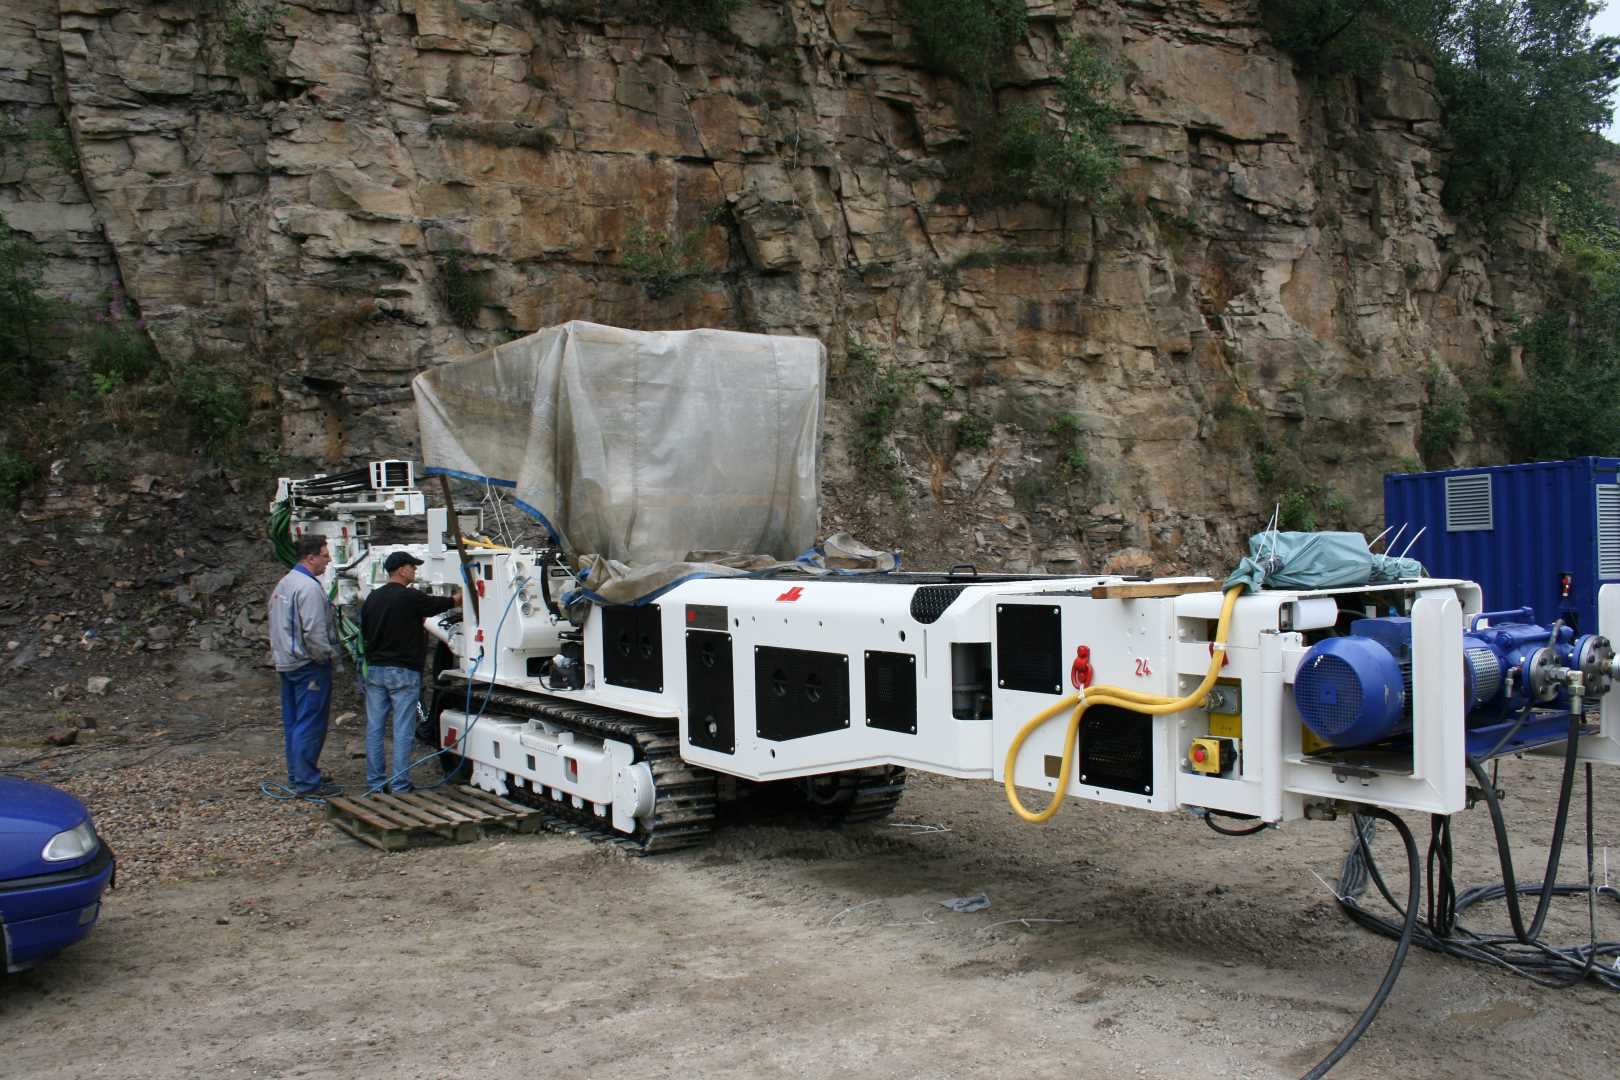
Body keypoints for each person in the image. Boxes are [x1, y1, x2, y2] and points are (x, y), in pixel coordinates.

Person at [360, 552, 459, 795]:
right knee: (402, 728)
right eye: (412, 567)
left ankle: (375, 784)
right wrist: (461, 597)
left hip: (375, 670)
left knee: (375, 728)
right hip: (403, 671)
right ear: (401, 570)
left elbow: (365, 631)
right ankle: (400, 784)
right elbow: (440, 604)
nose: (415, 571)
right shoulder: (409, 596)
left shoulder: (373, 598)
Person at [268, 535, 340, 798]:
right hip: (308, 665)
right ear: (311, 557)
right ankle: (308, 782)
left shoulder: (285, 583)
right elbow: (314, 631)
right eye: (325, 555)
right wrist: (327, 657)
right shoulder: (308, 588)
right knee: (310, 723)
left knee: (294, 722)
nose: (328, 560)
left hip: (287, 662)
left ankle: (298, 774)